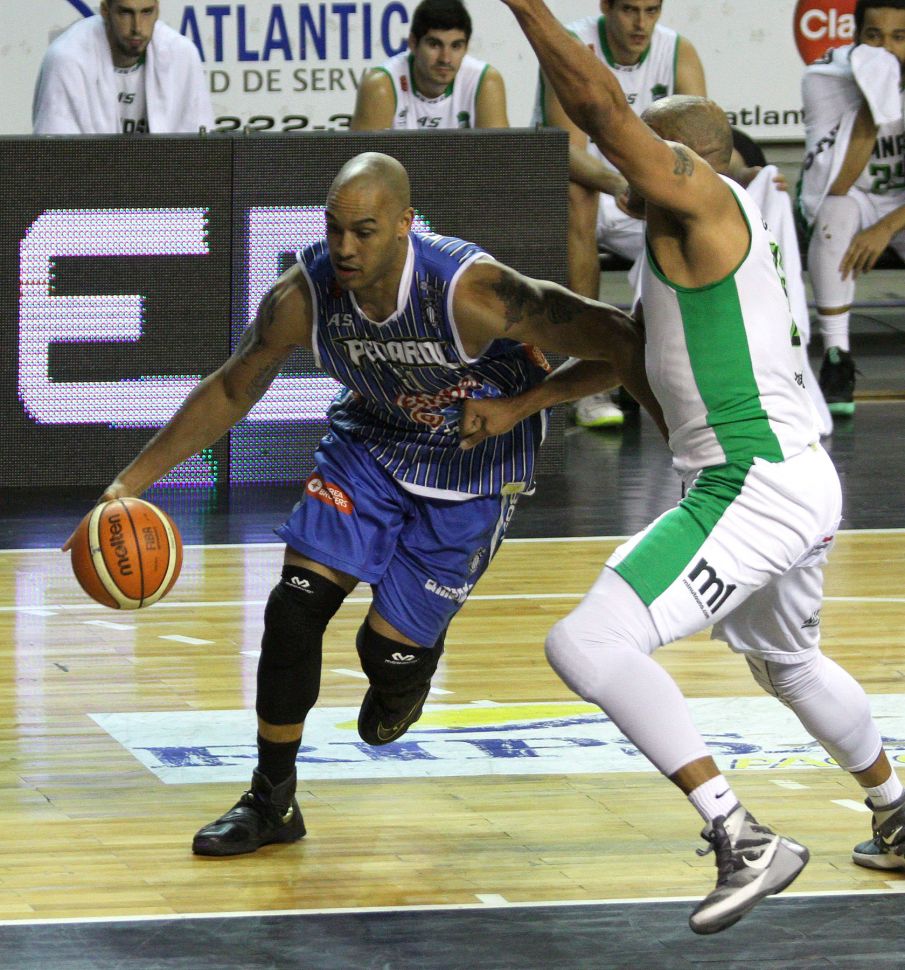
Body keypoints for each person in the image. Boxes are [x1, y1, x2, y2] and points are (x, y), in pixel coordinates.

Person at [65, 151, 660, 857]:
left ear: (406, 224)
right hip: (371, 445)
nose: (344, 248)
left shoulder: (471, 292)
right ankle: (271, 799)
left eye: (365, 231)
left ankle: (407, 669)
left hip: (473, 460)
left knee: (386, 655)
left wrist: (528, 403)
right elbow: (231, 387)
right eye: (335, 229)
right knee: (294, 608)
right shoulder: (303, 296)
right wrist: (127, 485)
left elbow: (622, 340)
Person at [490, 0, 905, 935]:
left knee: (586, 644)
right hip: (796, 475)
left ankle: (740, 836)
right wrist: (523, 404)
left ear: (688, 163)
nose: (628, 169)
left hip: (750, 483)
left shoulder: (705, 205)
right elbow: (629, 352)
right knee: (787, 664)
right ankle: (895, 807)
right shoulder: (688, 241)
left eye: (649, 150)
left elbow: (601, 111)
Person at [533, 0, 705, 428]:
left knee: (692, 215)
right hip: (594, 190)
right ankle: (589, 380)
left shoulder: (678, 52)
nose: (641, 23)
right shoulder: (572, 45)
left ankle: (672, 371)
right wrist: (619, 185)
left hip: (646, 196)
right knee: (578, 194)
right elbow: (565, 151)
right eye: (629, 10)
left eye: (651, 10)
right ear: (606, 6)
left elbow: (698, 149)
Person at [800, 0, 905, 417]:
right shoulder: (824, 78)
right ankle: (837, 356)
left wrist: (885, 228)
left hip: (901, 205)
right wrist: (872, 108)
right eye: (874, 37)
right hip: (855, 194)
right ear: (856, 38)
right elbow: (834, 184)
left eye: (899, 37)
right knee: (833, 214)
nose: (887, 50)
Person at [33, 0, 213, 135]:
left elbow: (200, 150)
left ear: (157, 10)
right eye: (126, 13)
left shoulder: (182, 54)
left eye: (146, 12)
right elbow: (56, 157)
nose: (137, 28)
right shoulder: (67, 58)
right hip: (89, 173)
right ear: (105, 11)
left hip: (165, 173)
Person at [350, 0, 508, 130]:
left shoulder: (485, 81)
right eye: (434, 45)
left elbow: (498, 158)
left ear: (466, 48)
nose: (445, 59)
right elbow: (367, 159)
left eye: (456, 46)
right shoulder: (381, 85)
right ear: (413, 43)